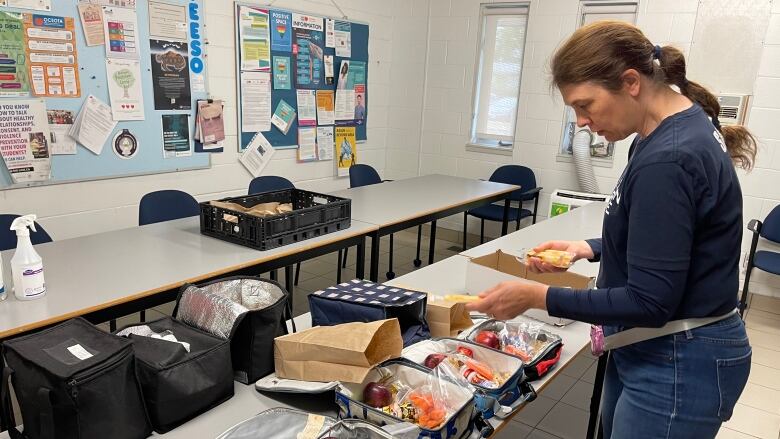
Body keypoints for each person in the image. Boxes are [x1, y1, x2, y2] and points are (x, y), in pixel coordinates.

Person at [467, 21, 756, 439]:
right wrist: (587, 248)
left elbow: (650, 299)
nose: (582, 122)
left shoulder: (668, 158)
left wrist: (538, 296)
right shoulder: (663, 131)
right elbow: (668, 235)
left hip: (679, 355)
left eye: (586, 105)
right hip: (658, 346)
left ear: (631, 82)